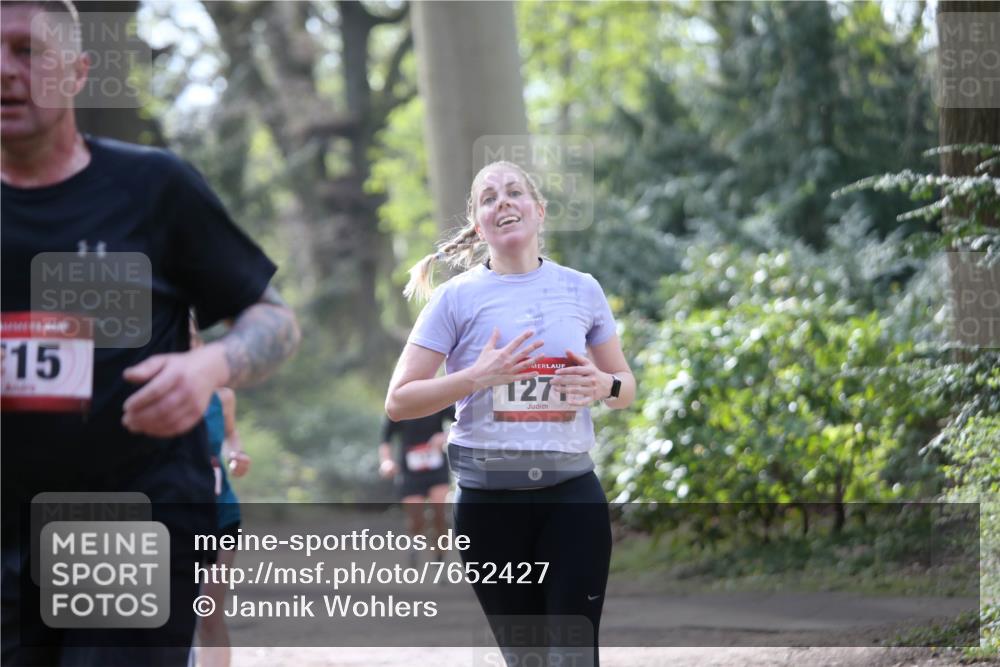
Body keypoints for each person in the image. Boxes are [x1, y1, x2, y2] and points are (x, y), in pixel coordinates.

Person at [1, 2, 300, 665]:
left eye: (27, 51)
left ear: (77, 72)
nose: (5, 71)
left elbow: (274, 319)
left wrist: (208, 367)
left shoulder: (151, 187)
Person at [385, 160, 636, 667]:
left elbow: (624, 388)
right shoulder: (455, 298)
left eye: (514, 192)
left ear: (539, 211)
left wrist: (603, 384)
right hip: (488, 505)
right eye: (489, 198)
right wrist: (477, 377)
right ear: (478, 227)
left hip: (571, 497)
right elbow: (400, 399)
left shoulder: (581, 288)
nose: (503, 201)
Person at [191, 323, 250, 667]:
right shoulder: (150, 394)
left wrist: (236, 454)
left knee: (208, 614)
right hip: (166, 514)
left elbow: (230, 434)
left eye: (191, 339)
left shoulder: (222, 396)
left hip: (220, 514)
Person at [378, 407, 454, 563]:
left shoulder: (436, 397)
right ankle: (414, 542)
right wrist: (386, 461)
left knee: (439, 513)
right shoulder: (399, 401)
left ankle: (440, 555)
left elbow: (463, 422)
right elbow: (386, 437)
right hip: (410, 470)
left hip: (436, 467)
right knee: (416, 516)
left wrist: (445, 435)